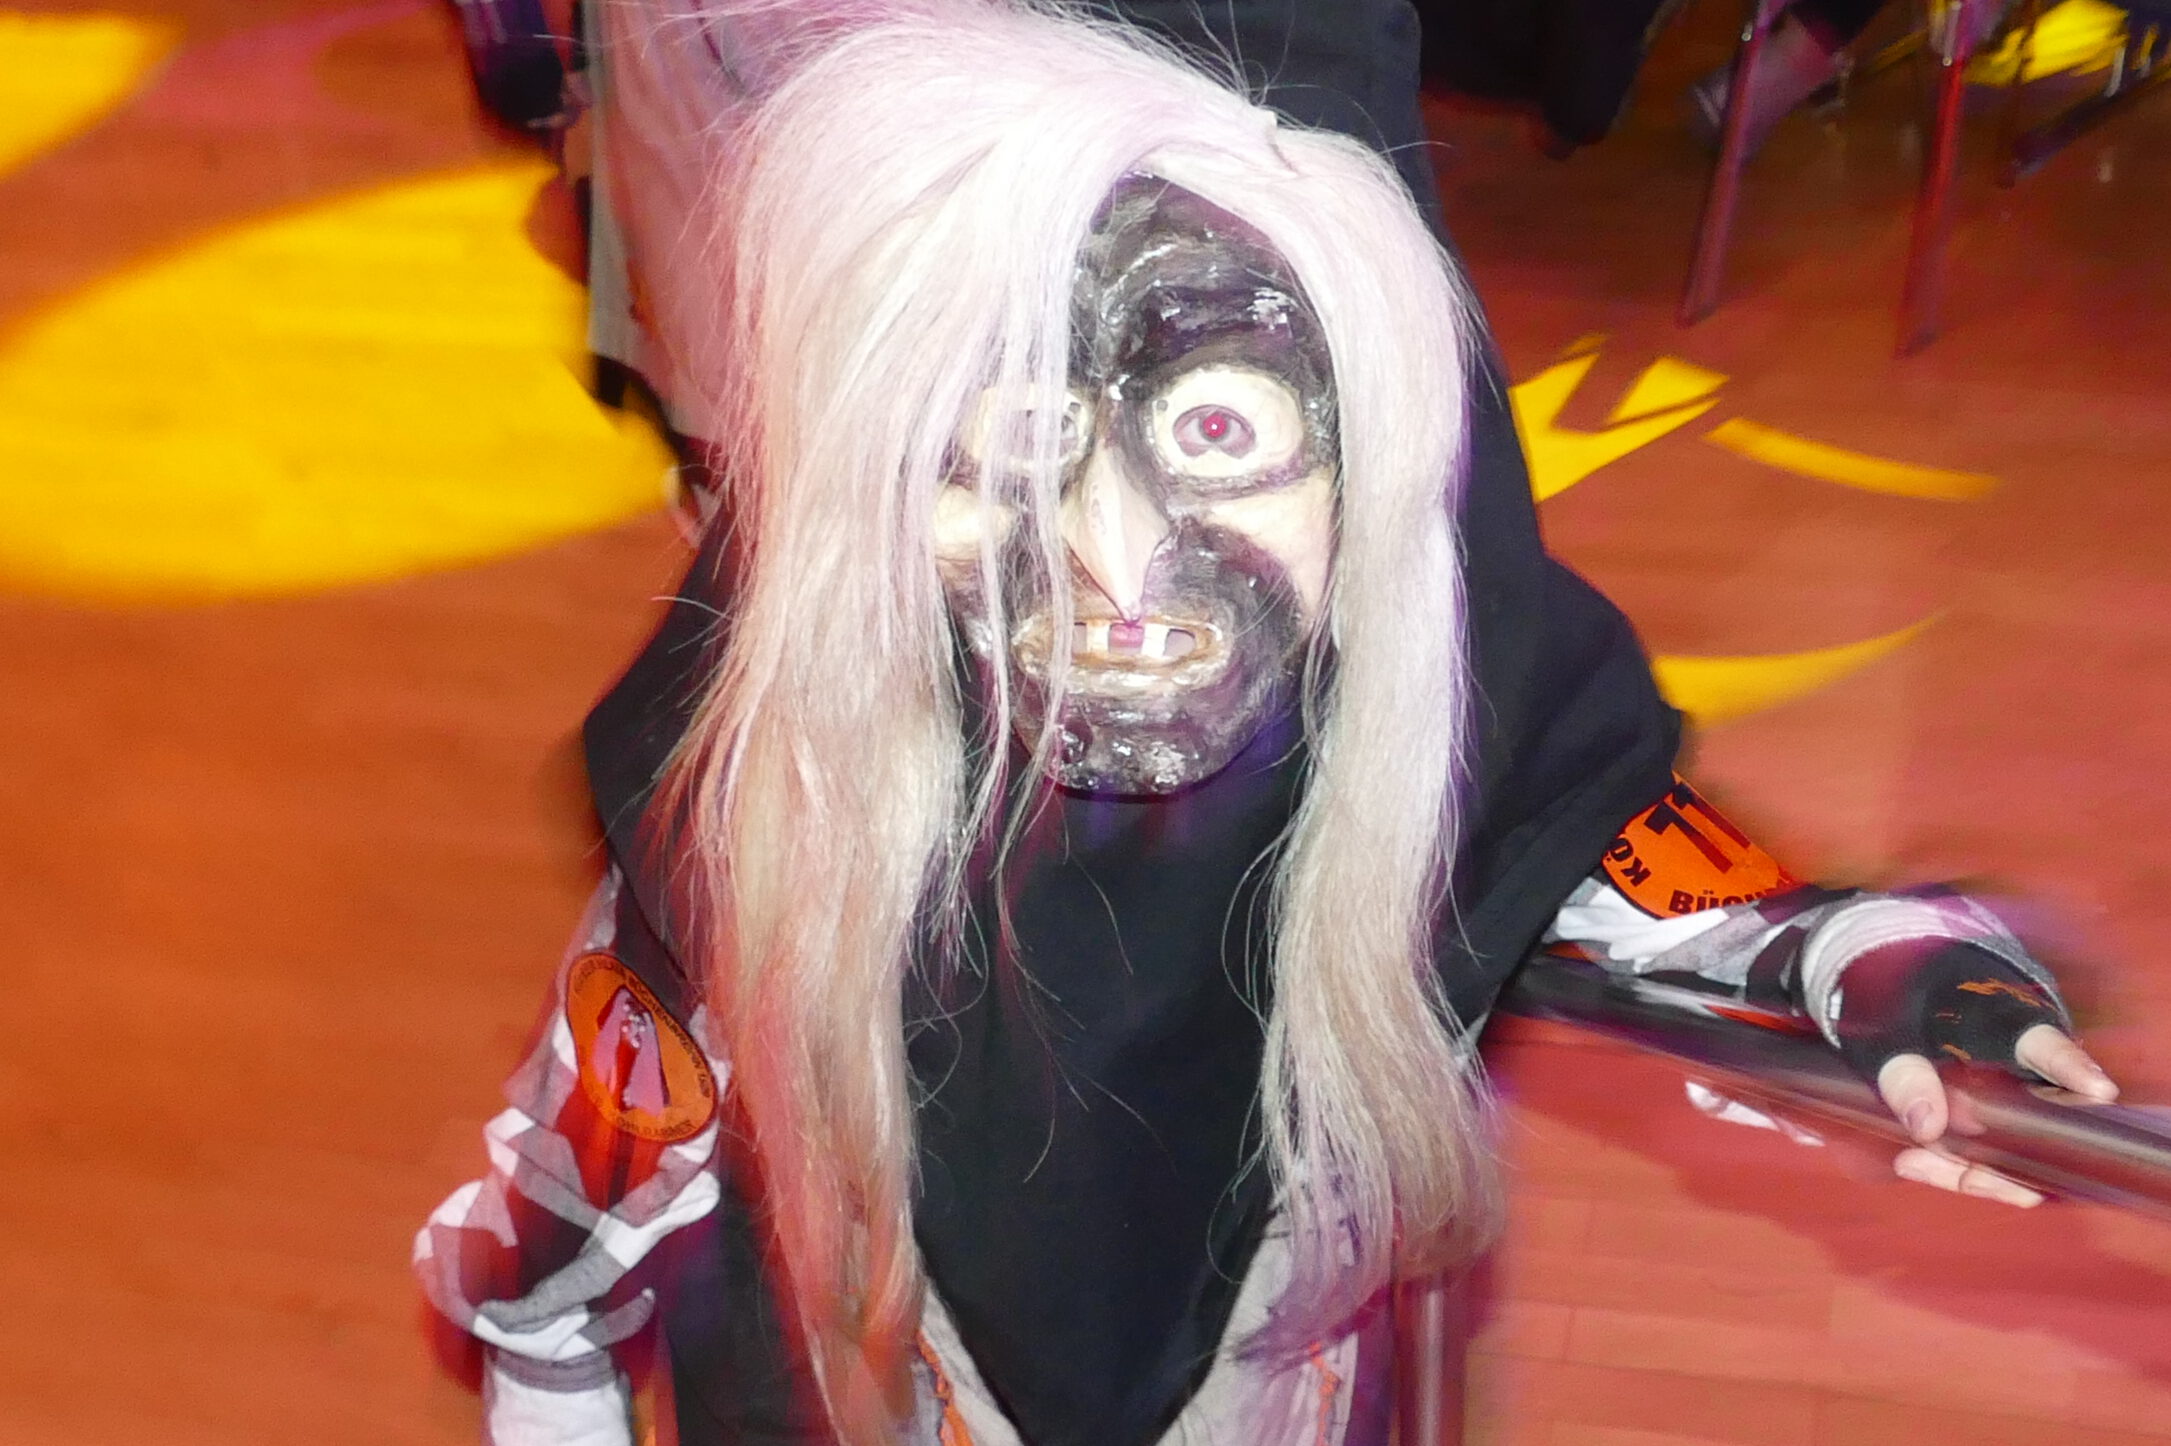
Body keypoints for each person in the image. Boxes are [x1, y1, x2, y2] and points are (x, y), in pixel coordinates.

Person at [416, 4, 2118, 1444]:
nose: (1110, 553)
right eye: (1006, 444)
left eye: (1219, 429)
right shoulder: (759, 835)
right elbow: (559, 1246)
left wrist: (1890, 974)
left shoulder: (1437, 740)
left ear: (1372, 462)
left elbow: (1678, 899)